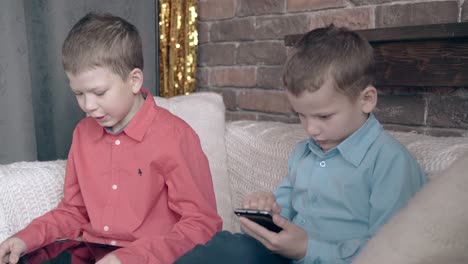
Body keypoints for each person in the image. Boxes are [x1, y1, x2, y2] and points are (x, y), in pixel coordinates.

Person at [175, 25, 427, 264]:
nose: (310, 129)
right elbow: (282, 218)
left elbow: (392, 252)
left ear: (367, 99)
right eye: (301, 115)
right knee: (229, 246)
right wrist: (266, 212)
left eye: (324, 116)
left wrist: (307, 249)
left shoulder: (391, 162)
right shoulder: (305, 153)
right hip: (289, 258)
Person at [0, 12, 222, 264]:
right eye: (78, 93)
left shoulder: (176, 137)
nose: (87, 105)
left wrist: (127, 258)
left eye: (98, 92)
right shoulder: (82, 134)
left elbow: (202, 224)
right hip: (88, 254)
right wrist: (26, 238)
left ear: (134, 81)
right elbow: (74, 211)